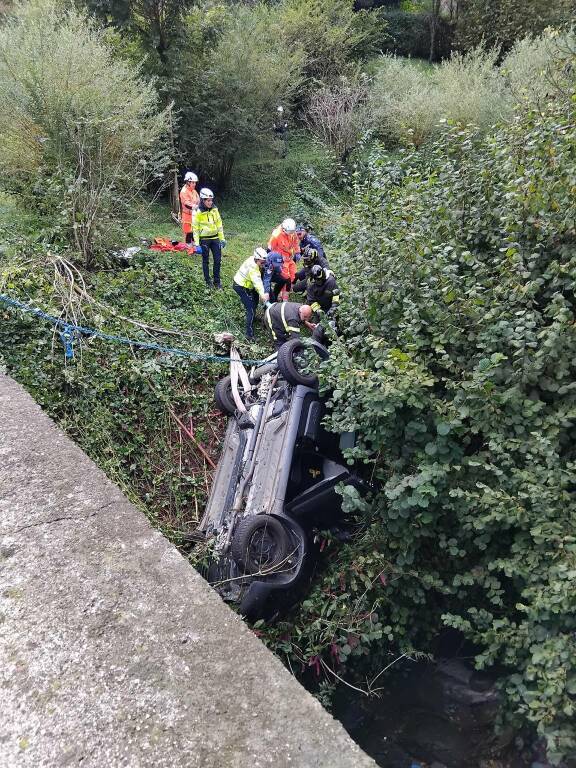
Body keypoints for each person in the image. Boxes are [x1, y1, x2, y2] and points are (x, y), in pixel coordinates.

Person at [233, 247, 270, 340]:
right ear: (256, 259)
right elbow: (257, 282)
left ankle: (252, 317)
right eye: (262, 262)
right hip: (241, 286)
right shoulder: (253, 267)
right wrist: (263, 294)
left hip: (249, 285)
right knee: (250, 309)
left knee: (255, 299)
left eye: (264, 262)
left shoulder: (253, 259)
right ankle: (249, 334)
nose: (263, 264)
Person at [193, 188, 225, 288]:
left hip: (215, 238)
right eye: (208, 200)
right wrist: (197, 244)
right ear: (203, 200)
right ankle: (208, 281)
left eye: (211, 200)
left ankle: (217, 282)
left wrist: (222, 238)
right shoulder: (198, 212)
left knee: (217, 260)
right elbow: (195, 229)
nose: (210, 202)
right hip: (204, 239)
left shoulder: (215, 210)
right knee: (205, 260)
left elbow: (219, 224)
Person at [268, 218, 300, 300]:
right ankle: (283, 296)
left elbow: (295, 242)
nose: (291, 234)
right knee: (286, 277)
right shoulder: (276, 236)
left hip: (290, 258)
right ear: (284, 229)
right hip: (281, 261)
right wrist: (273, 261)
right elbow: (270, 249)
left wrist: (297, 252)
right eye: (290, 232)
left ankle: (284, 292)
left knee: (293, 275)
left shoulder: (292, 231)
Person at [179, 172, 199, 244]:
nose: (194, 184)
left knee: (194, 231)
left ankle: (194, 246)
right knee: (188, 232)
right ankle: (188, 248)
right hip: (187, 215)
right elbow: (187, 204)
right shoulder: (184, 191)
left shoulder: (194, 191)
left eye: (195, 183)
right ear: (188, 182)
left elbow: (198, 200)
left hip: (194, 214)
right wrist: (196, 207)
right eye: (193, 183)